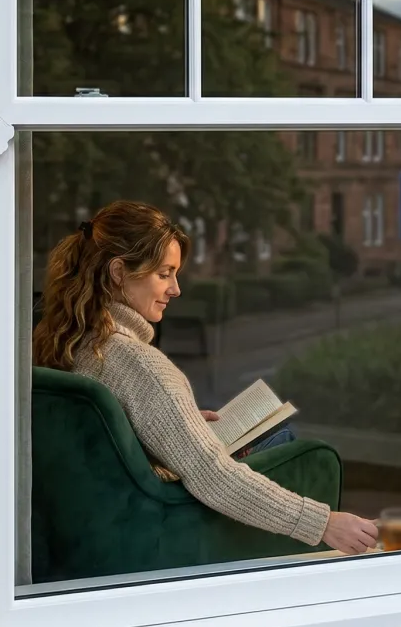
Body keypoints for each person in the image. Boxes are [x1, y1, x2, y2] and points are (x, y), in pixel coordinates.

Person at [33, 200, 378, 556]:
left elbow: (100, 445)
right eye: (164, 274)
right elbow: (213, 475)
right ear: (119, 272)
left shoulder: (64, 343)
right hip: (163, 532)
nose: (175, 289)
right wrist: (324, 523)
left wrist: (174, 423)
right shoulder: (139, 365)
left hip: (86, 535)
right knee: (284, 441)